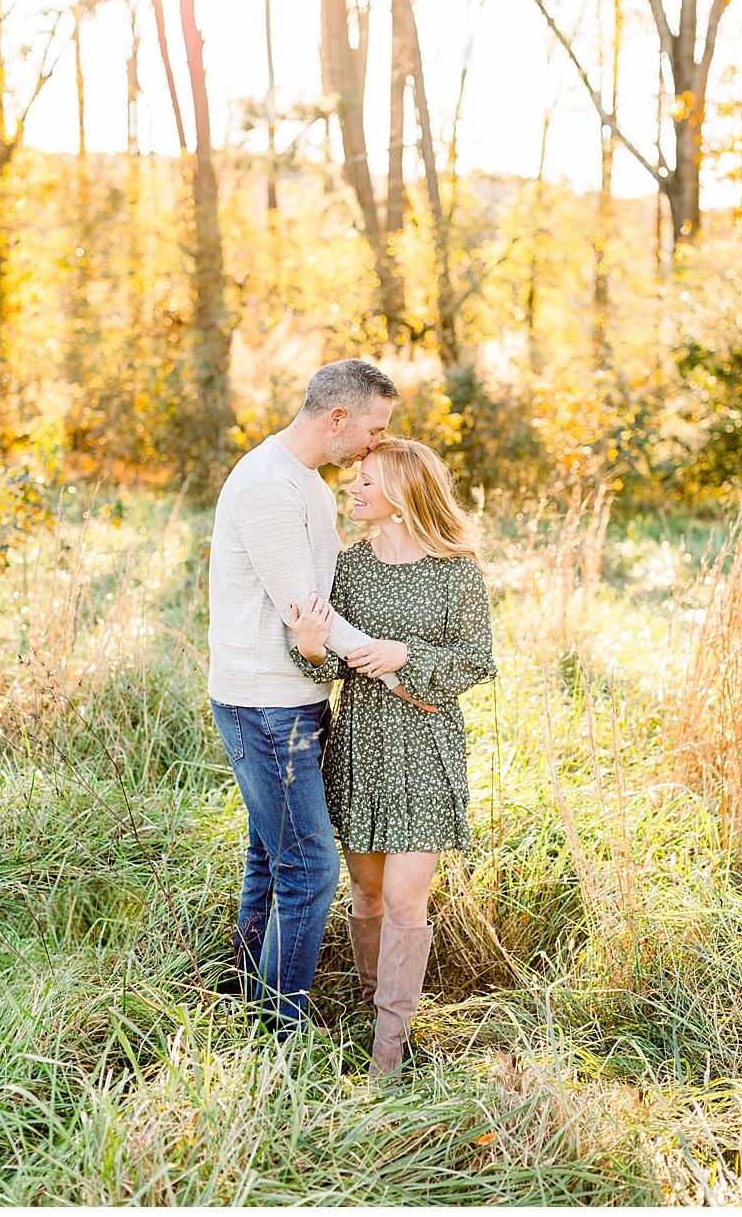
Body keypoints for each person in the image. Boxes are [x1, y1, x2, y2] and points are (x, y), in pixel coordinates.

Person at [206, 358, 424, 1037]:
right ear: (338, 418)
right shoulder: (269, 487)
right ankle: (279, 1034)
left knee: (272, 858)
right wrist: (397, 674)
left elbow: (323, 603)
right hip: (265, 705)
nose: (376, 444)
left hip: (289, 699)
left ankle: (245, 998)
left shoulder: (301, 480)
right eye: (374, 428)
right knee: (309, 867)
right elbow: (310, 613)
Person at [290, 438, 497, 1076]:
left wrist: (408, 658)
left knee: (408, 900)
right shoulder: (347, 567)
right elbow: (314, 662)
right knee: (366, 890)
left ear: (403, 496)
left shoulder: (457, 570)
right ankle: (366, 997)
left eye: (366, 481)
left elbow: (476, 660)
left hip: (424, 747)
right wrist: (310, 645)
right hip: (358, 741)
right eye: (354, 479)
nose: (352, 489)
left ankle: (388, 1050)